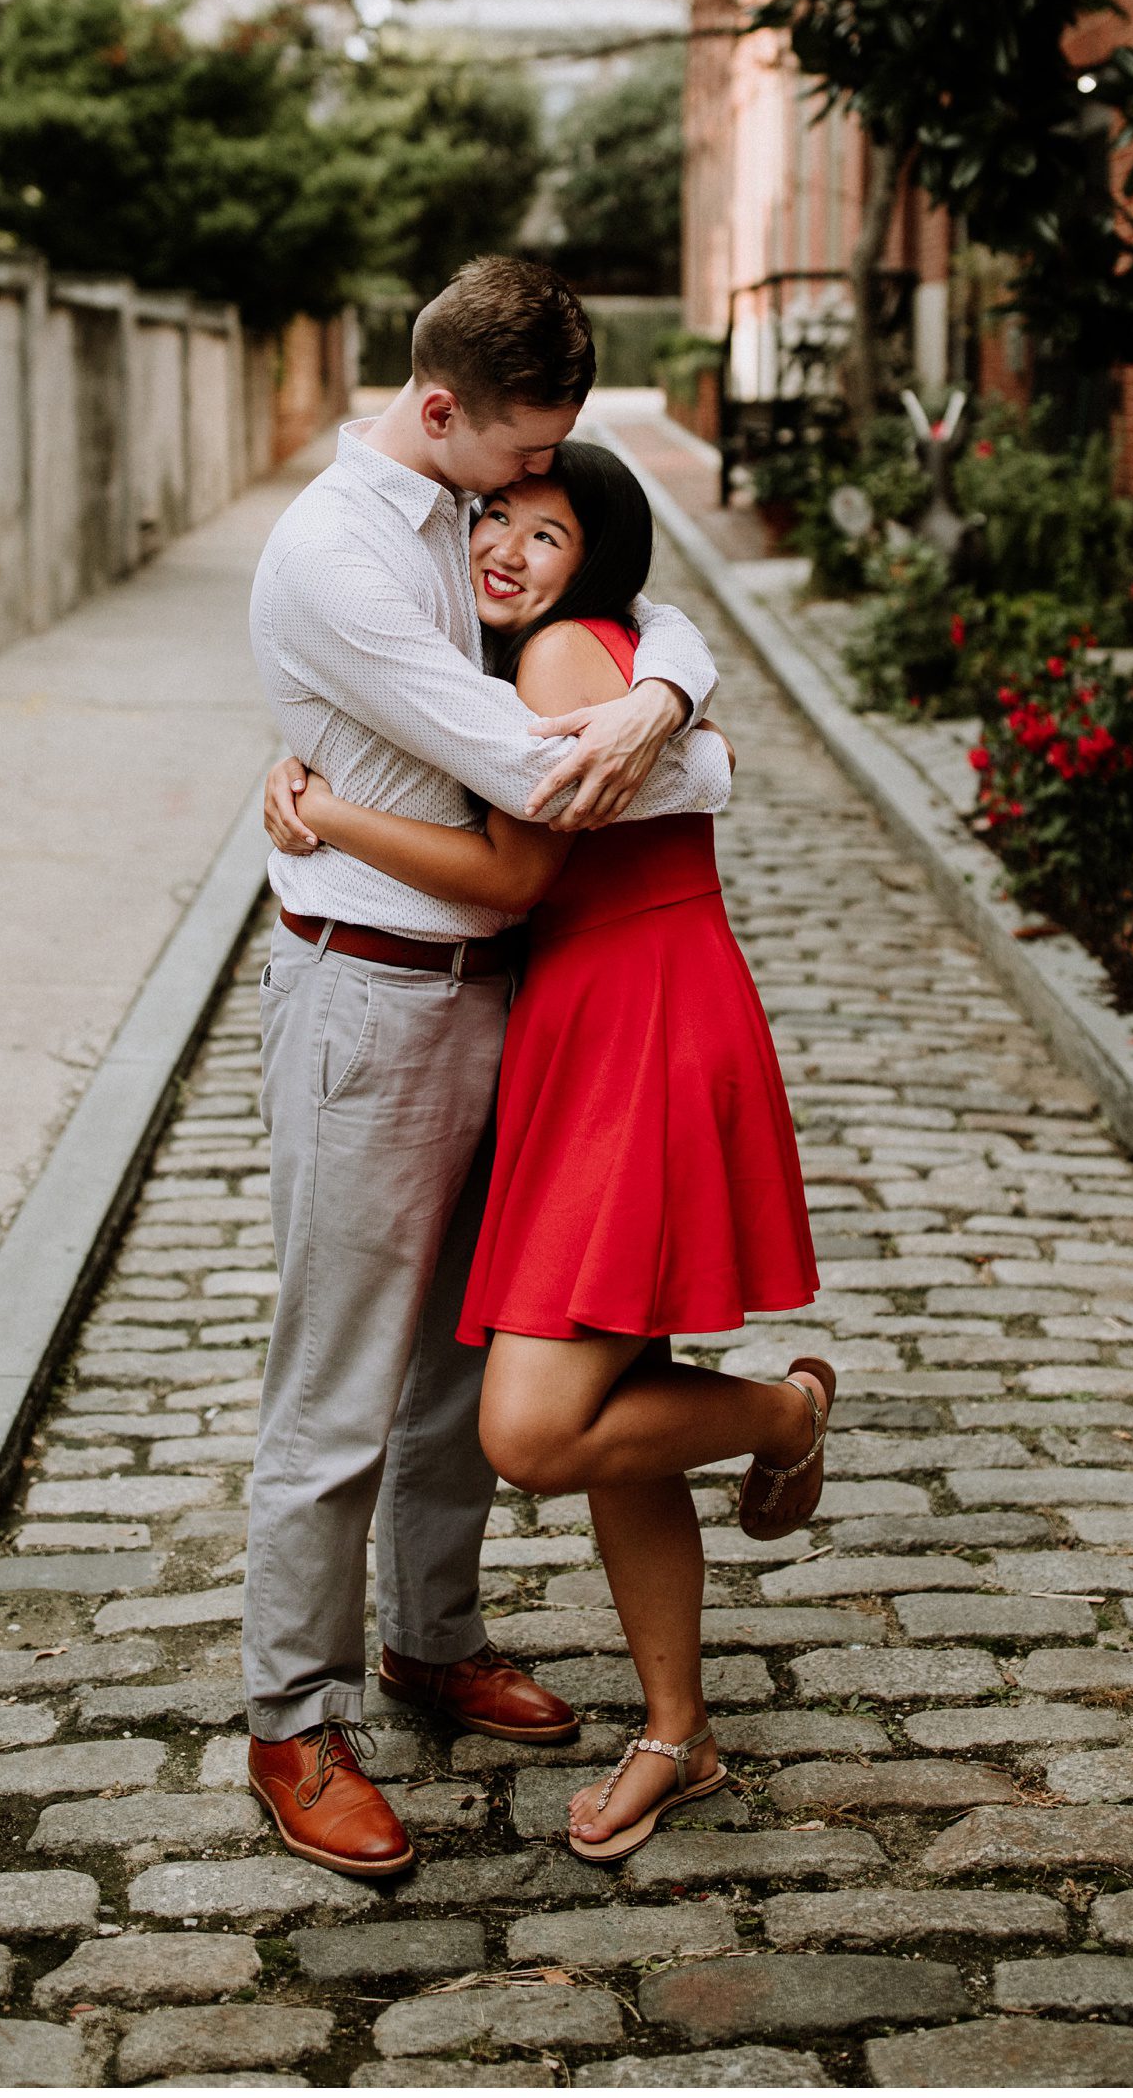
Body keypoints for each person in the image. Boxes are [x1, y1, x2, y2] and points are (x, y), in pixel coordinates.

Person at [244, 256, 736, 1878]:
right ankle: (290, 1719)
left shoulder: (467, 508)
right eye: (521, 452)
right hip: (370, 997)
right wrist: (687, 751)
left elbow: (633, 594)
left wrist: (670, 686)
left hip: (500, 997)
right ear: (443, 408)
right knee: (339, 1393)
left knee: (460, 1369)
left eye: (552, 465)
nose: (535, 489)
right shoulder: (334, 555)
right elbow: (534, 769)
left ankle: (429, 1634)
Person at [285, 439, 831, 1864]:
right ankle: (677, 1731)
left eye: (551, 532)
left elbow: (522, 869)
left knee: (532, 1427)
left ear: (598, 563)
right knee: (621, 1390)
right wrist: (677, 698)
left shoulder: (556, 663)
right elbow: (676, 685)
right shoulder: (602, 647)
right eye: (499, 519)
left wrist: (321, 814)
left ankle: (787, 1417)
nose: (511, 549)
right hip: (600, 1014)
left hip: (634, 1022)